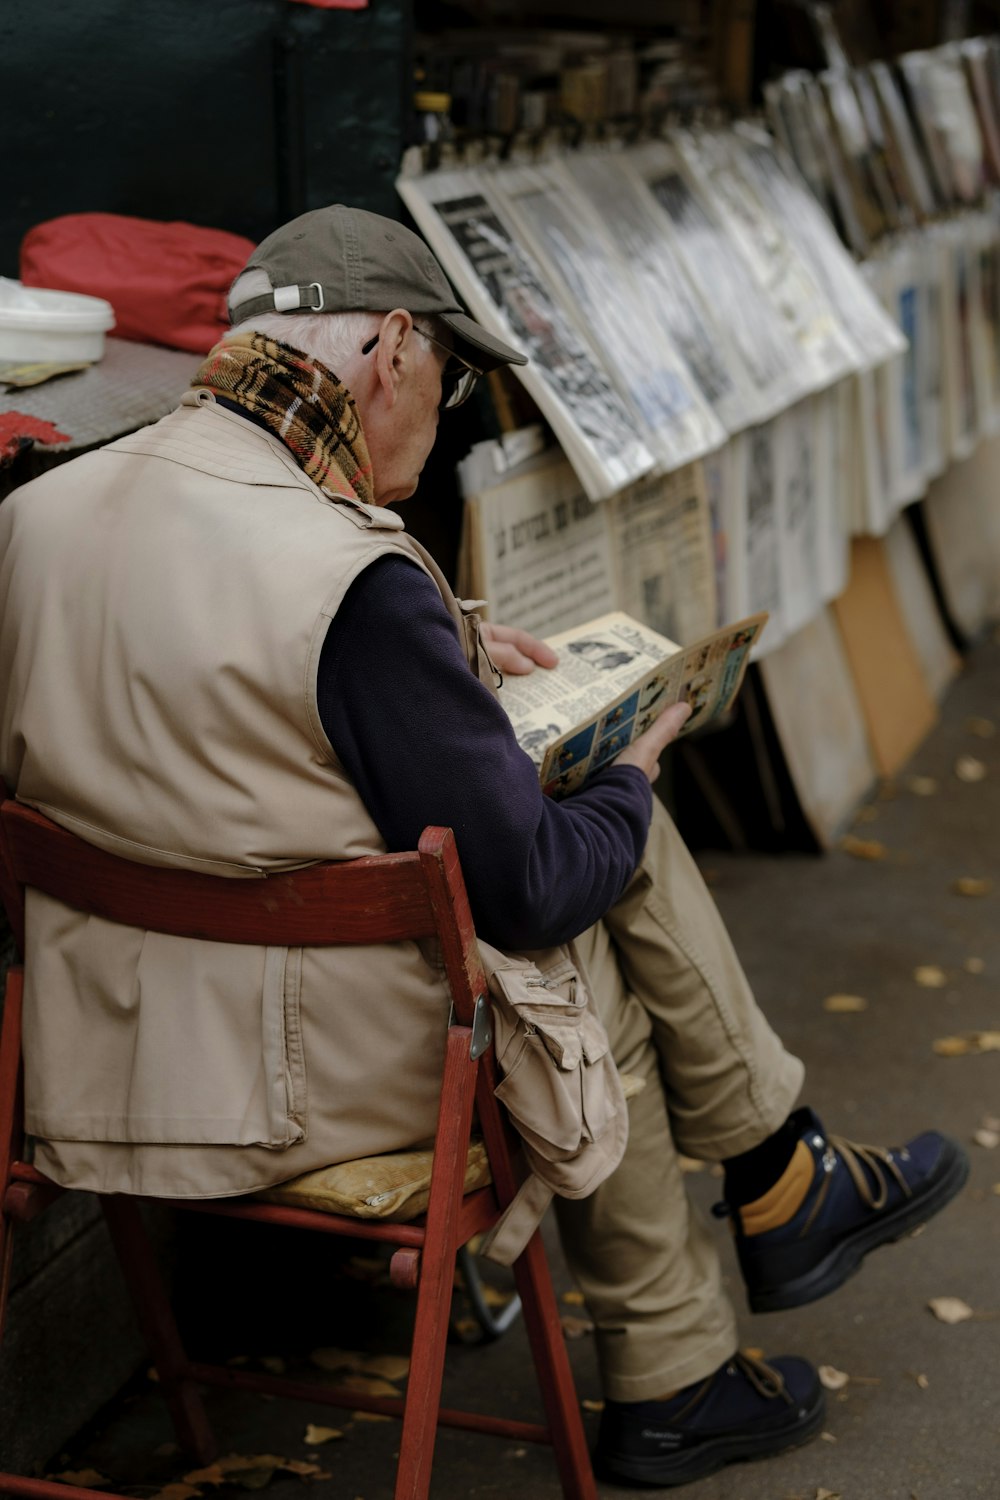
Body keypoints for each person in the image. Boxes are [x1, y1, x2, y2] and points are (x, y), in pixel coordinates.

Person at [0, 205, 968, 1490]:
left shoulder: (39, 516)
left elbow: (203, 714)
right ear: (392, 348)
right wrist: (632, 769)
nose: (443, 417)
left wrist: (441, 657)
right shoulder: (348, 580)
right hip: (296, 1090)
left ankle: (762, 1209)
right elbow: (523, 889)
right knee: (583, 932)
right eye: (449, 384)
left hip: (88, 1058)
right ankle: (726, 1270)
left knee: (569, 864)